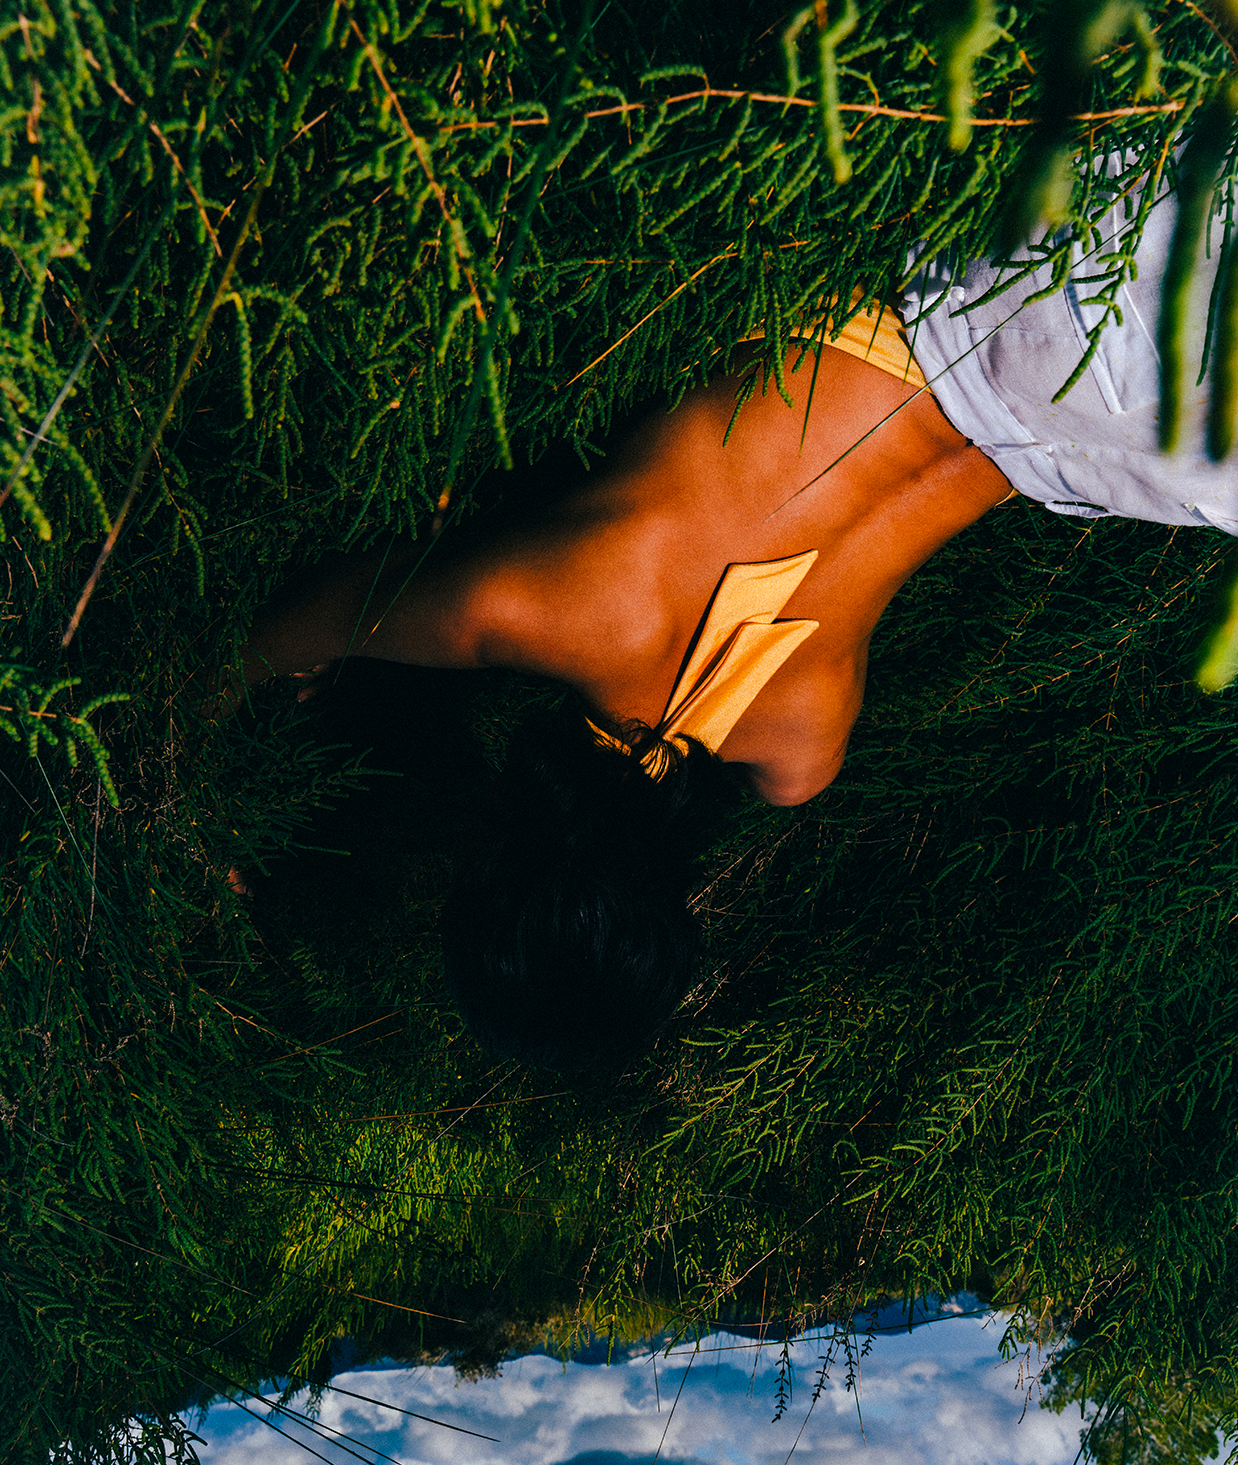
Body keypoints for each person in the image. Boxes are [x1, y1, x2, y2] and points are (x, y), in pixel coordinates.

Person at [233, 163, 1237, 1071]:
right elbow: (298, 627)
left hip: (1064, 436)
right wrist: (198, 714)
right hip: (962, 296)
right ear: (493, 859)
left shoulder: (801, 752)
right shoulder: (539, 609)